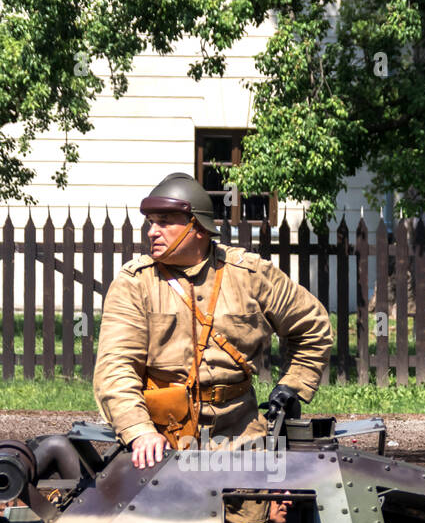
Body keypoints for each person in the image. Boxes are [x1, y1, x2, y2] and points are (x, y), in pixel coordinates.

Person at [93, 172, 333, 471]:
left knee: (252, 514)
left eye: (165, 222)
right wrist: (139, 431)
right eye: (151, 222)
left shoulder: (249, 274)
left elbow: (312, 325)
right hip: (164, 440)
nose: (152, 231)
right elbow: (116, 368)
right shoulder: (135, 284)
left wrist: (294, 384)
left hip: (243, 435)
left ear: (199, 228)